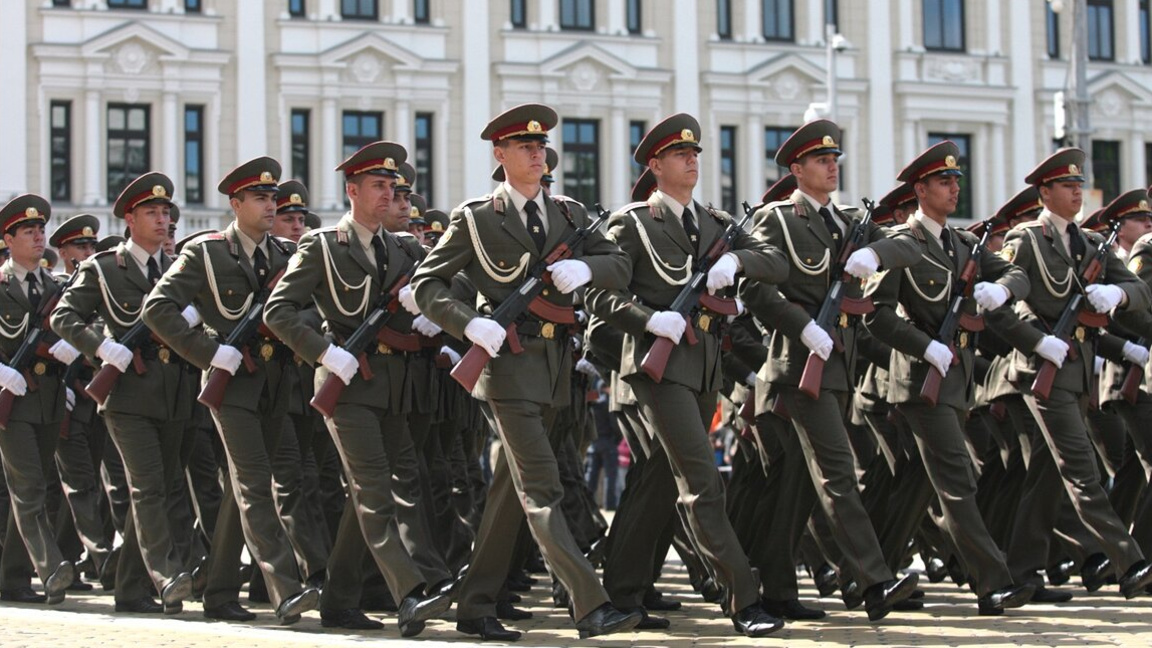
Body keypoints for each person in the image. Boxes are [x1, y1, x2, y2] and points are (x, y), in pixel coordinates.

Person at [411, 103, 640, 641]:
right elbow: (426, 286)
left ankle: (474, 604)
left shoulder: (569, 215)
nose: (537, 153)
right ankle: (590, 605)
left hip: (557, 370)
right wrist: (469, 325)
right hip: (507, 369)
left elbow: (621, 265)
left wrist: (587, 267)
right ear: (500, 154)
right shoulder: (477, 218)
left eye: (541, 146)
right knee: (543, 485)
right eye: (524, 147)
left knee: (510, 493)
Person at [585, 112, 787, 637]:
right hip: (656, 366)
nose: (692, 161)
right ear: (655, 165)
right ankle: (743, 600)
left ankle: (622, 592)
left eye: (696, 154)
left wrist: (737, 265)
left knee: (655, 481)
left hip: (704, 367)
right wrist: (647, 318)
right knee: (701, 482)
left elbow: (776, 263)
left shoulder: (717, 224)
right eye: (680, 154)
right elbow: (597, 292)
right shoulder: (632, 224)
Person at [264, 141, 452, 636]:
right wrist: (324, 352)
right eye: (378, 185)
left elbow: (440, 291)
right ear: (352, 191)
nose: (389, 193)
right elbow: (277, 311)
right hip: (347, 386)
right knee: (374, 492)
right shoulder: (324, 246)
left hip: (394, 387)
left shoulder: (405, 248)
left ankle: (339, 600)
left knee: (364, 498)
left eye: (393, 186)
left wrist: (430, 313)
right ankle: (410, 592)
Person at [740, 118, 921, 621]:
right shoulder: (776, 219)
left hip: (838, 367)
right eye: (821, 160)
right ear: (797, 168)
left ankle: (777, 590)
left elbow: (908, 246)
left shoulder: (847, 224)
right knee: (839, 473)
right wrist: (801, 326)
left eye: (834, 158)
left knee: (798, 483)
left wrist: (872, 252)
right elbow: (754, 288)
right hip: (798, 366)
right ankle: (873, 580)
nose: (831, 166)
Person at [142, 157, 321, 624]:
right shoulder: (207, 253)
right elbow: (157, 308)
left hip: (277, 383)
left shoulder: (285, 256)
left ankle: (218, 589)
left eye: (273, 199)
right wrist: (207, 352)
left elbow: (309, 311)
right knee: (254, 482)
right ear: (235, 203)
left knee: (246, 488)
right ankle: (285, 587)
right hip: (232, 384)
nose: (270, 206)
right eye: (260, 198)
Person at [863, 141, 1034, 615]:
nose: (955, 187)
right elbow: (874, 317)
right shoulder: (902, 243)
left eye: (957, 180)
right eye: (944, 181)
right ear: (920, 189)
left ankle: (872, 578)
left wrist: (1001, 288)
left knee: (921, 485)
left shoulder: (962, 245)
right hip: (920, 382)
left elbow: (1018, 273)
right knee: (959, 480)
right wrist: (926, 346)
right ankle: (992, 582)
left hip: (956, 381)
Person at [993, 148, 1152, 601]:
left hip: (1077, 374)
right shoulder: (1026, 239)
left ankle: (1023, 573)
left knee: (1045, 476)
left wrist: (1115, 296)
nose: (1078, 191)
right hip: (1042, 369)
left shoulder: (1087, 244)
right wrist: (1035, 340)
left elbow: (1138, 289)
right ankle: (1131, 561)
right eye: (1067, 185)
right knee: (1081, 469)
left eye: (1080, 184)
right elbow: (1004, 301)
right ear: (1045, 192)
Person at [50, 173, 194, 614]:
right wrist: (101, 346)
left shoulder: (178, 270)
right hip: (129, 395)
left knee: (161, 488)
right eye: (152, 212)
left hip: (175, 392)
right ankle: (166, 573)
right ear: (130, 218)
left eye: (166, 212)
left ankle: (131, 588)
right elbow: (64, 317)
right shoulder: (106, 267)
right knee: (148, 487)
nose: (162, 220)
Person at [0, 194, 77, 605]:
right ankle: (51, 567)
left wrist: (72, 350)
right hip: (10, 401)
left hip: (48, 399)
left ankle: (11, 578)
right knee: (27, 485)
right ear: (8, 239)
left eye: (40, 229)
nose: (37, 236)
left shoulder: (56, 288)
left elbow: (81, 325)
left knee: (35, 487)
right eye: (28, 231)